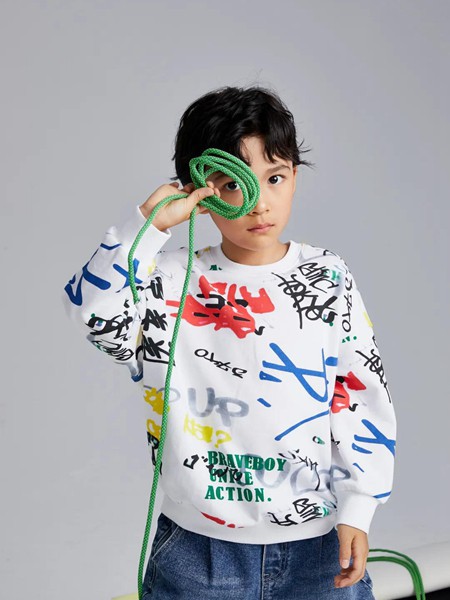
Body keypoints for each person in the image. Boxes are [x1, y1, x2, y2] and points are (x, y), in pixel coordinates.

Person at [63, 85, 396, 599]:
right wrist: (145, 227)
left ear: (295, 176)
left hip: (317, 546)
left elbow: (358, 391)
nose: (259, 204)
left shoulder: (326, 276)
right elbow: (93, 313)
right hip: (198, 552)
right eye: (233, 184)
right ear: (201, 190)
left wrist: (360, 505)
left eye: (275, 178)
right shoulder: (168, 280)